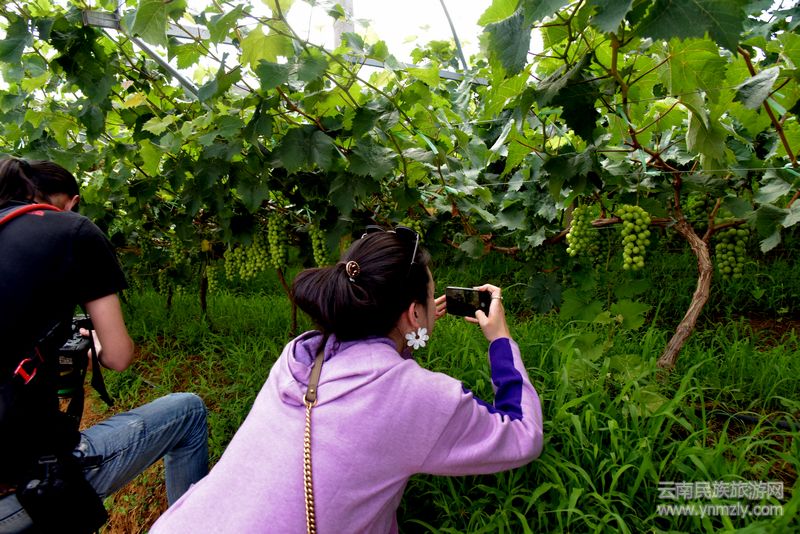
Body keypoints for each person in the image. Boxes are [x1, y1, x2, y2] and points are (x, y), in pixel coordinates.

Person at [151, 225, 544, 533]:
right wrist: (500, 339)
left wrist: (411, 327)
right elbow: (523, 434)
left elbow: (371, 371)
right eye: (429, 295)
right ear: (413, 313)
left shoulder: (298, 356)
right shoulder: (419, 397)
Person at [0, 157, 209, 533]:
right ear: (70, 201)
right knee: (188, 411)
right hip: (25, 485)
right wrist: (95, 345)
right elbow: (119, 356)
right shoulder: (72, 230)